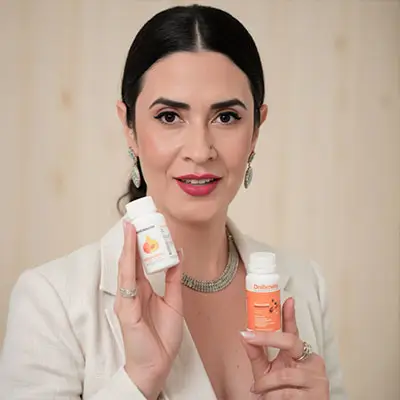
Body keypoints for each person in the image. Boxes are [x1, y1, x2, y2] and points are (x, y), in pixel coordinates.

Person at [0, 4, 347, 400]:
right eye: (169, 117)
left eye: (226, 117)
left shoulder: (306, 284)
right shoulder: (52, 300)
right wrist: (139, 379)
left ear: (255, 130)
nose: (200, 150)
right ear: (129, 127)